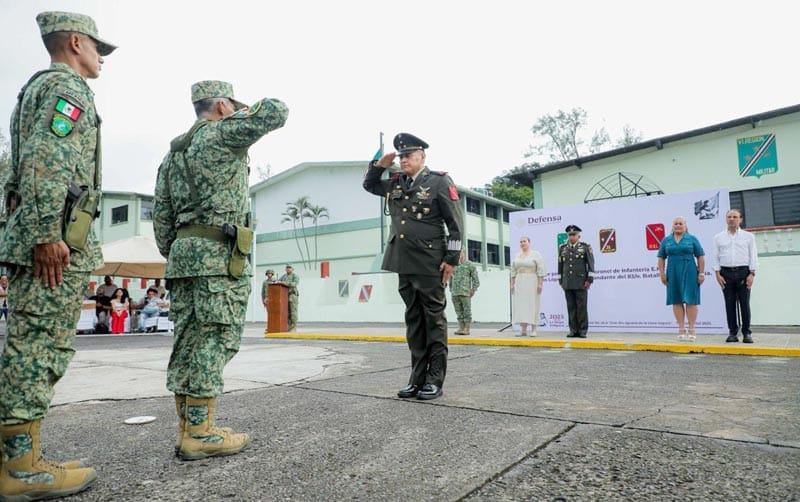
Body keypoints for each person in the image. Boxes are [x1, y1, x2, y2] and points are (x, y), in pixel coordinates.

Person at [0, 11, 115, 500]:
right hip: (55, 243)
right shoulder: (65, 90)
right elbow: (49, 163)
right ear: (74, 42)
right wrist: (49, 234)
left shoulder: (33, 91)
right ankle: (21, 471)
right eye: (96, 48)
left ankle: (21, 459)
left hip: (41, 235)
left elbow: (17, 174)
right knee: (37, 351)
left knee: (31, 345)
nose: (100, 58)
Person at [153, 80, 288, 460]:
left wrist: (182, 251)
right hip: (217, 256)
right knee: (216, 340)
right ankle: (200, 431)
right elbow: (276, 109)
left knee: (188, 342)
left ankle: (187, 428)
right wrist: (234, 117)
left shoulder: (173, 154)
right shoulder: (221, 134)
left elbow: (162, 219)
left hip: (183, 257)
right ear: (224, 106)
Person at [363, 132, 464, 401]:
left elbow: (456, 225)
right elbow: (370, 186)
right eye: (401, 156)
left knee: (434, 321)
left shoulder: (439, 182)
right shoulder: (396, 181)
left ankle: (434, 380)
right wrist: (379, 166)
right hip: (403, 260)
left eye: (409, 155)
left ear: (422, 156)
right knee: (414, 321)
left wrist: (451, 260)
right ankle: (416, 379)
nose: (404, 159)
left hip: (430, 261)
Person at [657, 216, 705, 341]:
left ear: (685, 226)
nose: (678, 225)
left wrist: (701, 273)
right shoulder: (666, 240)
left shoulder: (692, 239)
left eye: (680, 223)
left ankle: (692, 328)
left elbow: (700, 256)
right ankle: (681, 328)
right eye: (676, 223)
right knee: (676, 300)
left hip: (690, 271)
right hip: (673, 272)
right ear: (672, 226)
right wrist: (662, 273)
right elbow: (661, 257)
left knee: (691, 300)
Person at [713, 209, 758, 343]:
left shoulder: (748, 236)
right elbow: (715, 257)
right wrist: (717, 274)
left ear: (740, 219)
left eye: (735, 217)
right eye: (729, 217)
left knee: (744, 304)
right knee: (729, 304)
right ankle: (733, 332)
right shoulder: (718, 237)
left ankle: (747, 333)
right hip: (726, 273)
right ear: (726, 219)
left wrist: (752, 274)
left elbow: (753, 255)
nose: (732, 219)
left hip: (744, 272)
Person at [558, 225, 595, 338]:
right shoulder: (563, 248)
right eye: (570, 235)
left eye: (574, 235)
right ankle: (573, 330)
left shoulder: (585, 247)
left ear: (579, 236)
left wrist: (589, 280)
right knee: (571, 307)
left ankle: (583, 330)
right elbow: (560, 265)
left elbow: (591, 264)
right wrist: (560, 280)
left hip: (581, 282)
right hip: (567, 283)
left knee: (581, 307)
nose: (572, 236)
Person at [510, 236, 546, 337]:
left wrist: (540, 283)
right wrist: (512, 283)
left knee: (532, 303)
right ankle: (523, 330)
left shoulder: (535, 254)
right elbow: (513, 270)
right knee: (521, 305)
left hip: (532, 280)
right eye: (521, 242)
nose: (522, 243)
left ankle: (534, 329)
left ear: (529, 242)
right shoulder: (517, 255)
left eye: (524, 241)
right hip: (519, 281)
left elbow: (541, 269)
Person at [449, 250, 480, 335]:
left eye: (460, 252)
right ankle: (461, 327)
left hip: (465, 292)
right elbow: (451, 278)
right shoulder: (454, 265)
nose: (459, 255)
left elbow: (475, 278)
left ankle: (467, 328)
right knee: (458, 311)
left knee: (466, 311)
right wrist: (451, 289)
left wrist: (473, 289)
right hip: (455, 292)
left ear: (464, 253)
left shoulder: (469, 265)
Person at [278, 265, 300, 332]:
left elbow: (294, 284)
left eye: (289, 268)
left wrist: (285, 283)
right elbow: (278, 282)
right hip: (284, 296)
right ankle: (288, 326)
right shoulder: (283, 276)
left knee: (293, 312)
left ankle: (293, 327)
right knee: (286, 312)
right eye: (287, 268)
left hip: (292, 295)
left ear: (292, 269)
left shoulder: (295, 276)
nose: (288, 269)